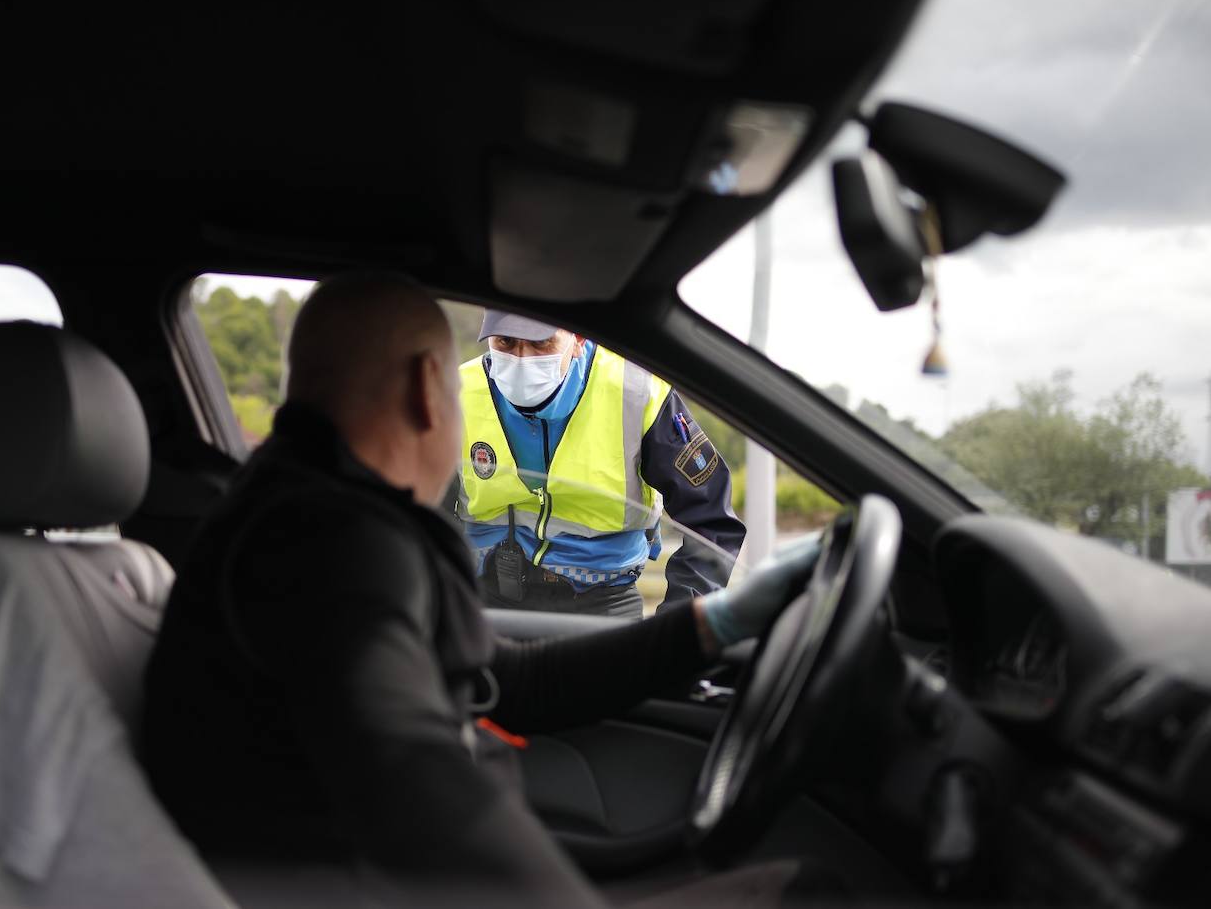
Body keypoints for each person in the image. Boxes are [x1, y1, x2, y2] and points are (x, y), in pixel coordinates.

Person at [142, 272, 820, 907]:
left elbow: (516, 680)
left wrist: (715, 623)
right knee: (809, 891)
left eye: (537, 344)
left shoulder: (312, 512)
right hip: (370, 881)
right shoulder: (329, 542)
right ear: (425, 386)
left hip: (392, 861)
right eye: (503, 350)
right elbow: (416, 774)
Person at [458, 312, 745, 618]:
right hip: (488, 603)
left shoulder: (635, 391)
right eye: (505, 342)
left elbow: (711, 518)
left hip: (603, 605)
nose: (521, 359)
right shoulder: (457, 391)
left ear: (578, 338)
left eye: (540, 343)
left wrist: (678, 623)